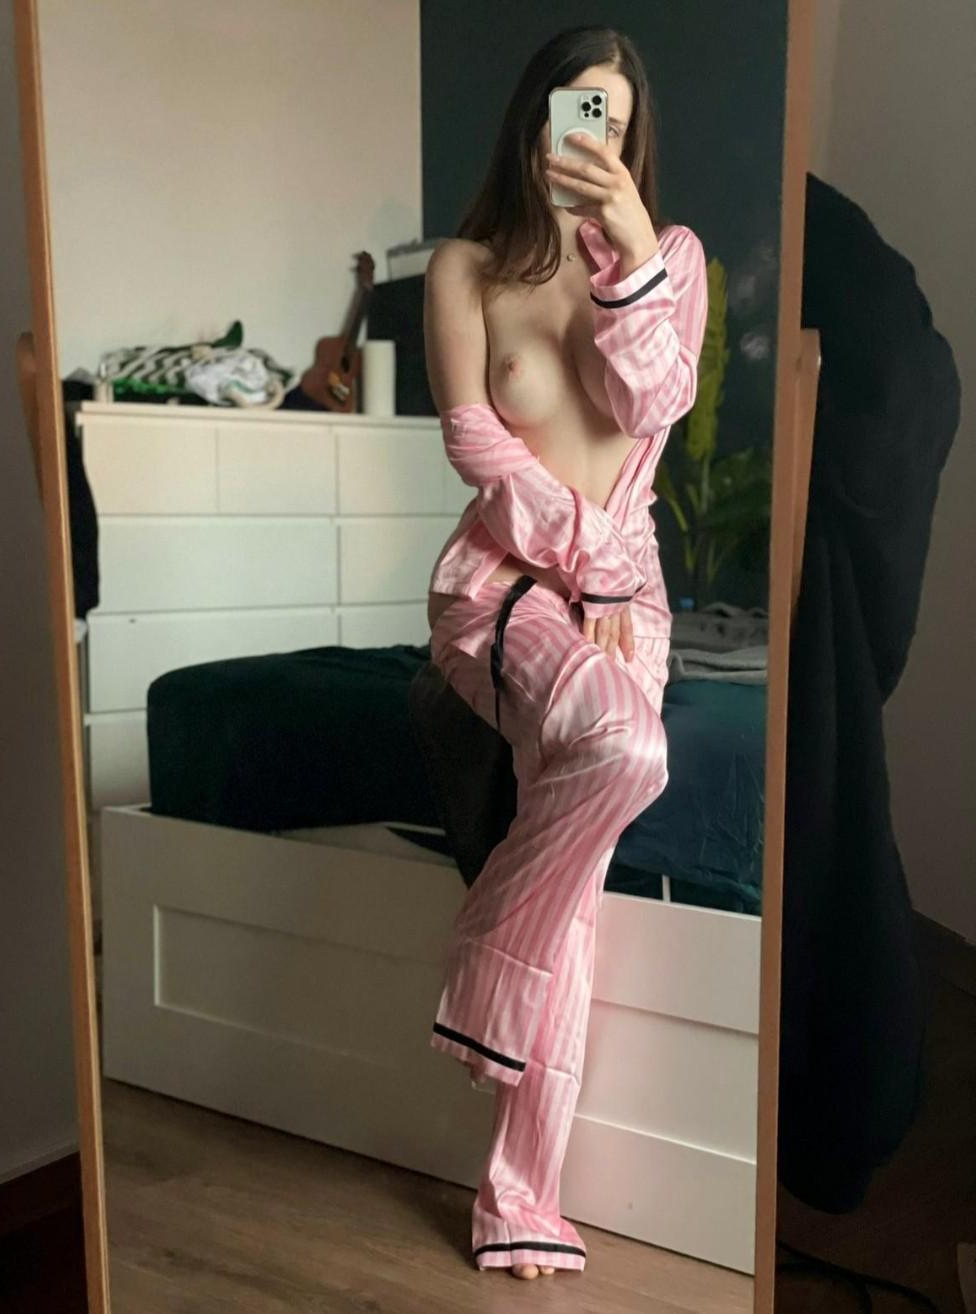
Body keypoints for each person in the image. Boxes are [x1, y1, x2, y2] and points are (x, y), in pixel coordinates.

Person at [422, 26, 707, 1279]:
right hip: (503, 592)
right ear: (533, 116)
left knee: (579, 853)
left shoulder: (672, 261)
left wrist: (632, 256)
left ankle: (517, 1199)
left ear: (634, 146)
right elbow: (477, 447)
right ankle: (493, 972)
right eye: (572, 108)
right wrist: (586, 562)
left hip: (627, 610)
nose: (590, 135)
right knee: (626, 749)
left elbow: (656, 404)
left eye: (614, 121)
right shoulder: (466, 266)